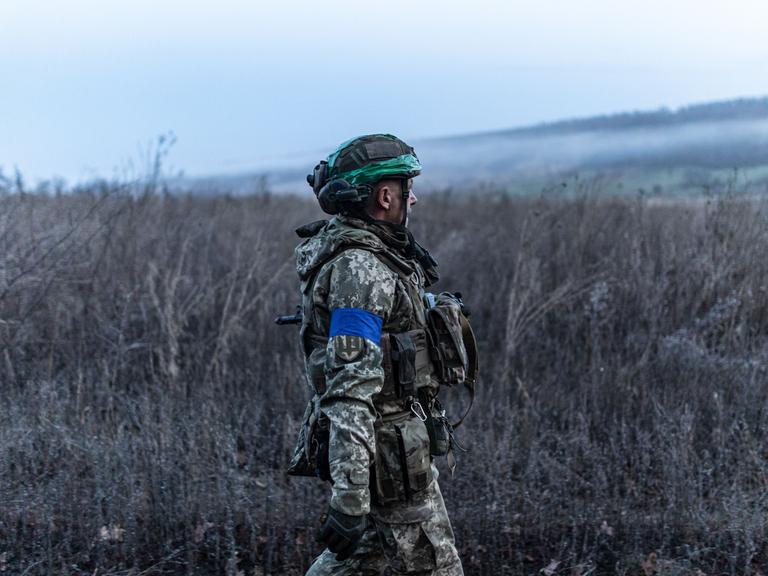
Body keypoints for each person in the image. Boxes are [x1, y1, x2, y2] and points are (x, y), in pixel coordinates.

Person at [287, 134, 475, 575]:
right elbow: (350, 390)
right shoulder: (362, 270)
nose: (415, 197)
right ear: (385, 196)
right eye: (408, 188)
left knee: (356, 560)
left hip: (391, 453)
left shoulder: (377, 258)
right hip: (389, 461)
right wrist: (350, 500)